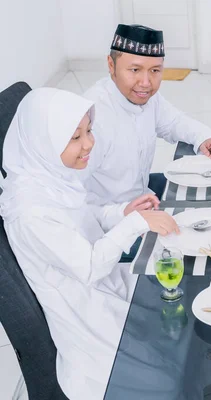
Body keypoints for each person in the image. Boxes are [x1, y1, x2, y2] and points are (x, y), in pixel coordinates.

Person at [0, 88, 180, 399]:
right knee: (168, 375)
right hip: (88, 317)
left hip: (109, 285)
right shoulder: (30, 212)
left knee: (183, 306)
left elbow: (83, 215)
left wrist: (122, 212)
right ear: (45, 141)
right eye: (75, 137)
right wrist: (137, 223)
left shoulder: (48, 175)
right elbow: (90, 266)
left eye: (89, 130)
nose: (89, 143)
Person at [82, 24, 211, 204]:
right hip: (113, 219)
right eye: (135, 70)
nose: (145, 83)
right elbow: (74, 196)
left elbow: (174, 122)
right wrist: (124, 217)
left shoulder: (148, 98)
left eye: (155, 70)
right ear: (111, 65)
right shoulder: (89, 120)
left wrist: (206, 136)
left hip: (145, 194)